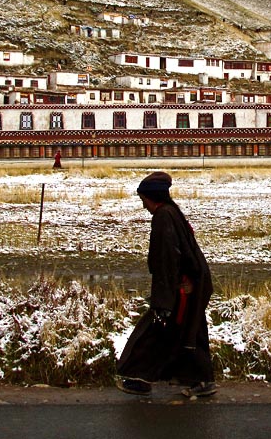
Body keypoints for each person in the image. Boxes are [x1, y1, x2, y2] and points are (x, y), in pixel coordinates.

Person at [116, 171, 217, 398]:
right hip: (189, 284)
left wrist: (165, 298)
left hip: (181, 288)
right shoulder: (172, 213)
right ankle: (200, 380)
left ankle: (139, 377)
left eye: (144, 201)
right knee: (189, 332)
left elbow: (167, 259)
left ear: (152, 198)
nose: (144, 207)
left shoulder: (163, 217)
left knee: (157, 332)